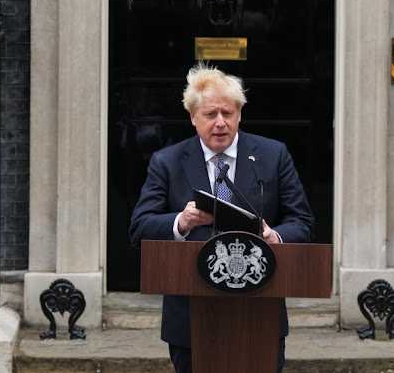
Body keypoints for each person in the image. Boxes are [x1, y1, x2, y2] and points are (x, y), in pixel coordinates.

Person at [129, 62, 315, 373]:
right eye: (210, 114)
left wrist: (275, 237)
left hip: (258, 310)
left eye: (227, 114)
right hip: (191, 317)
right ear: (193, 117)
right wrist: (181, 223)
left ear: (239, 114)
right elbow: (139, 228)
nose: (220, 123)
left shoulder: (272, 156)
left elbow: (303, 222)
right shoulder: (167, 161)